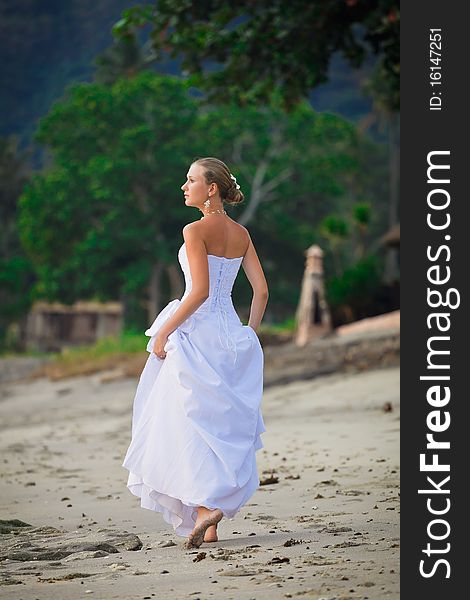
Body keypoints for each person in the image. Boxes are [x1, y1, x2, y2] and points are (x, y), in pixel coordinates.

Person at [122, 156, 269, 549]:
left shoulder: (194, 230)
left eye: (191, 180)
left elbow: (199, 291)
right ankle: (209, 516)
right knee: (212, 426)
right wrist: (249, 336)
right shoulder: (241, 234)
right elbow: (261, 291)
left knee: (183, 423)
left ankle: (204, 511)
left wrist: (164, 331)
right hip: (228, 334)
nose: (184, 186)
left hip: (195, 332)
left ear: (212, 188)